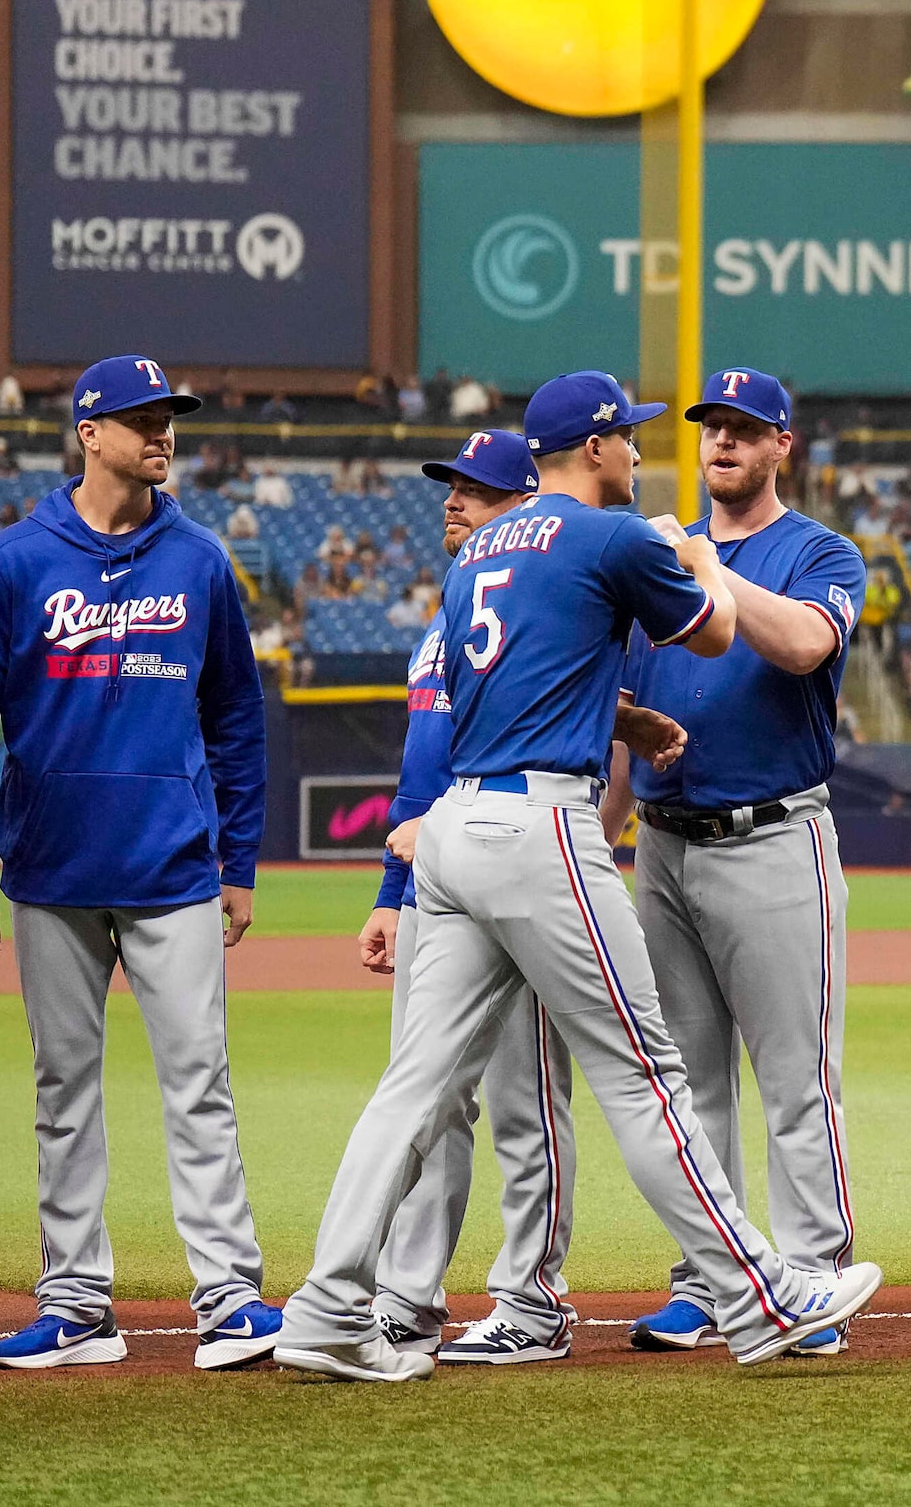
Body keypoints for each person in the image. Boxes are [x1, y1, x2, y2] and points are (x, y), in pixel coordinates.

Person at [274, 372, 880, 1381]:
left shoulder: (476, 555)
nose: (640, 455)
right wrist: (691, 554)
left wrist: (624, 718)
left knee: (412, 1089)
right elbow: (720, 633)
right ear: (595, 448)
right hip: (539, 824)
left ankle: (326, 1309)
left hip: (458, 821)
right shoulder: (616, 536)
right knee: (648, 1077)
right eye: (629, 440)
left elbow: (505, 687)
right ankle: (761, 1296)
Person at [0, 356, 279, 1371]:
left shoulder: (197, 559)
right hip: (49, 864)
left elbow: (235, 715)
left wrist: (240, 861)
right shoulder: (15, 562)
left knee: (199, 1082)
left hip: (174, 864)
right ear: (88, 432)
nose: (162, 432)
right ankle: (77, 1303)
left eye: (166, 416)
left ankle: (228, 1294)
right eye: (141, 418)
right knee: (64, 1088)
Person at [352, 428, 675, 1369]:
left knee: (527, 1096)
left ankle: (532, 1297)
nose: (454, 502)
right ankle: (406, 1298)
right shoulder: (450, 608)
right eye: (450, 487)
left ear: (523, 502)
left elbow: (558, 721)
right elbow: (423, 763)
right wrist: (389, 890)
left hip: (512, 849)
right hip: (441, 869)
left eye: (475, 489)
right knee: (432, 1096)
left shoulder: (557, 581)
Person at [600, 369, 872, 1359]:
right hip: (666, 843)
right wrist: (604, 836)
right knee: (689, 1080)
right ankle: (714, 1280)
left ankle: (812, 1282)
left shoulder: (818, 552)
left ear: (781, 447)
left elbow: (803, 645)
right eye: (712, 426)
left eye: (745, 429)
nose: (722, 441)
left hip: (774, 835)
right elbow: (628, 722)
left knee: (795, 1077)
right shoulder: (657, 559)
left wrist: (707, 567)